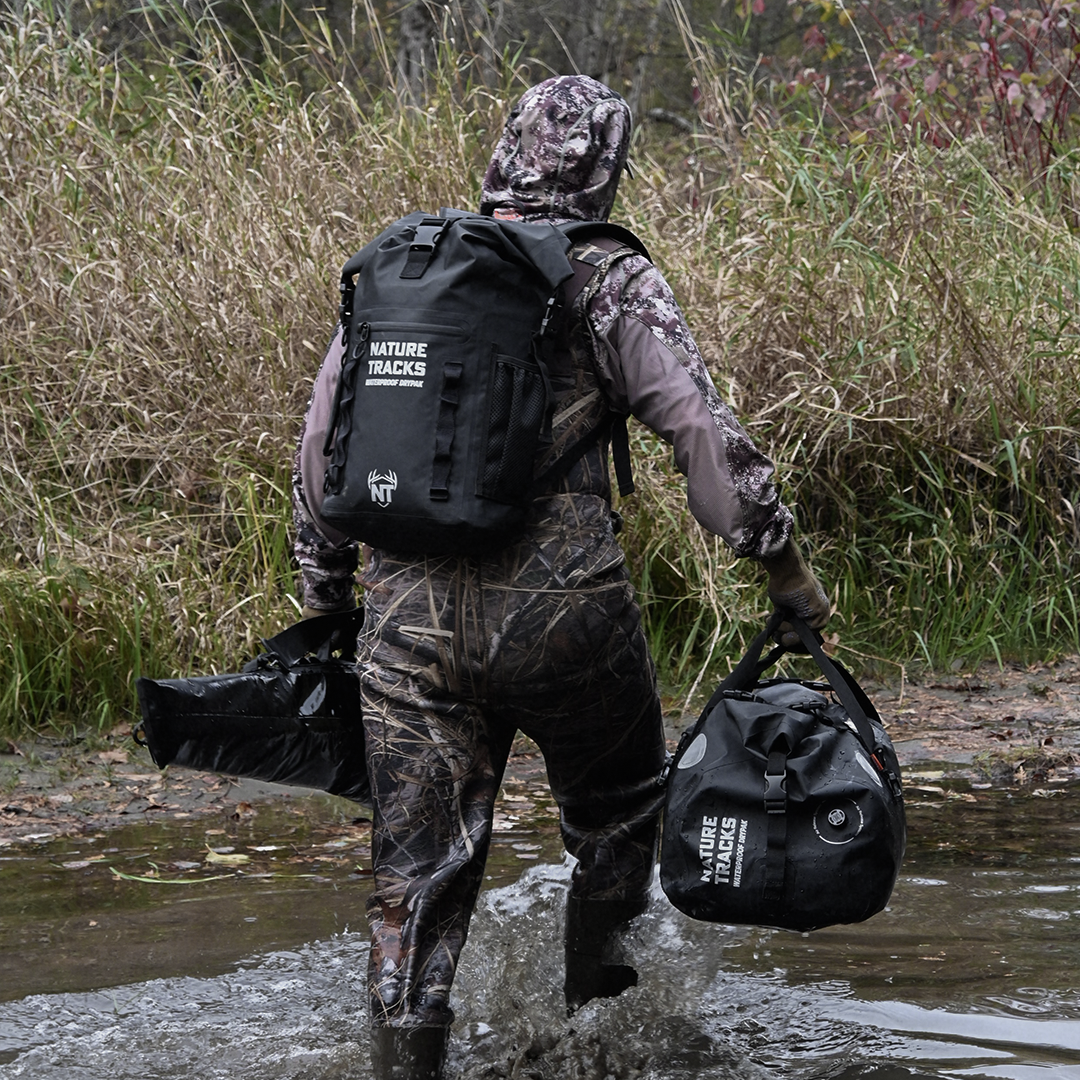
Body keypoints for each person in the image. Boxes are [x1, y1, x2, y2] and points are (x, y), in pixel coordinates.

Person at [291, 75, 830, 1080]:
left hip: (406, 629)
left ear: (505, 150)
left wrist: (325, 598)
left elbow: (323, 451)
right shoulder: (609, 277)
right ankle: (599, 1041)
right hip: (566, 618)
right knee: (619, 819)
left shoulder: (409, 266)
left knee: (415, 878)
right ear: (607, 167)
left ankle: (404, 1063)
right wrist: (784, 571)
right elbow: (704, 437)